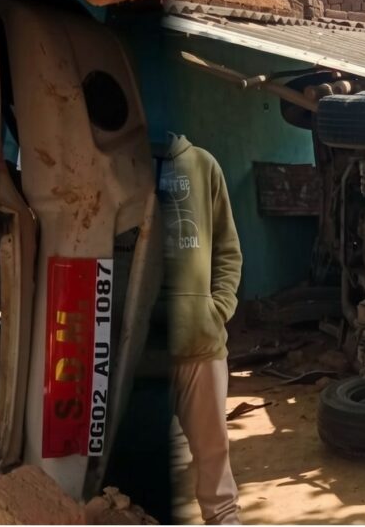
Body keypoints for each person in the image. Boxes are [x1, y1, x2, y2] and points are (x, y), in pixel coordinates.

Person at [153, 132, 243, 524]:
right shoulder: (116, 163)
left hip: (200, 345)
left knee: (213, 455)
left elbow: (228, 249)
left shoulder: (203, 165)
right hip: (135, 352)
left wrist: (216, 309)